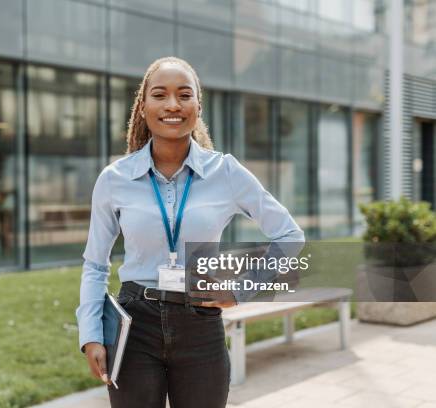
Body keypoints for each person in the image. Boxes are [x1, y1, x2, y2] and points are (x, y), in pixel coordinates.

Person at [75, 56, 304, 408]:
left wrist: (241, 289)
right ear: (143, 105)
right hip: (135, 324)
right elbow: (95, 265)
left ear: (198, 106)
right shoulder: (114, 179)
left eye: (184, 95)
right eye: (159, 94)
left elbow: (290, 236)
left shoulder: (226, 172)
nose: (172, 105)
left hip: (200, 323)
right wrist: (91, 334)